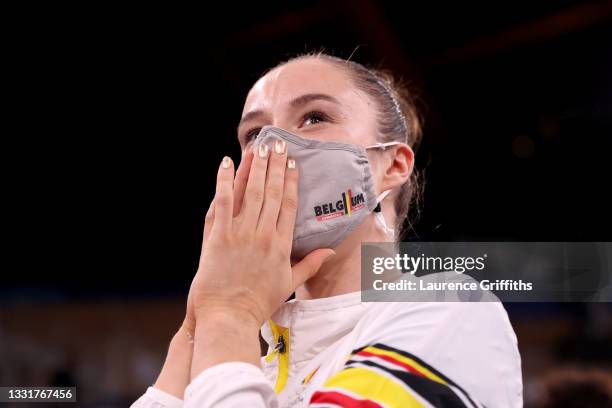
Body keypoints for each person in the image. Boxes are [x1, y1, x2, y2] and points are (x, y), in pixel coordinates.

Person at [131, 52, 523, 407]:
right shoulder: (246, 360)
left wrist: (229, 315)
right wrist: (198, 327)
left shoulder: (452, 312)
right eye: (253, 134)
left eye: (315, 117)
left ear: (394, 165)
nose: (272, 145)